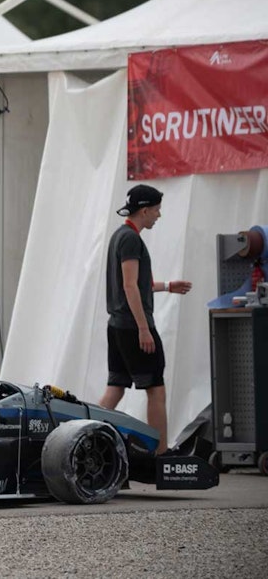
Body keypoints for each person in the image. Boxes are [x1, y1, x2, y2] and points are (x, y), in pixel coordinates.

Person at [99, 184, 191, 454]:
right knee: (156, 389)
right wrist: (143, 329)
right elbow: (130, 287)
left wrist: (168, 285)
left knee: (116, 387)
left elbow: (139, 284)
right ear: (145, 209)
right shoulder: (131, 239)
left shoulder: (120, 236)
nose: (158, 216)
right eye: (157, 211)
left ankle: (83, 436)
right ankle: (161, 453)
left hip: (116, 326)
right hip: (132, 327)